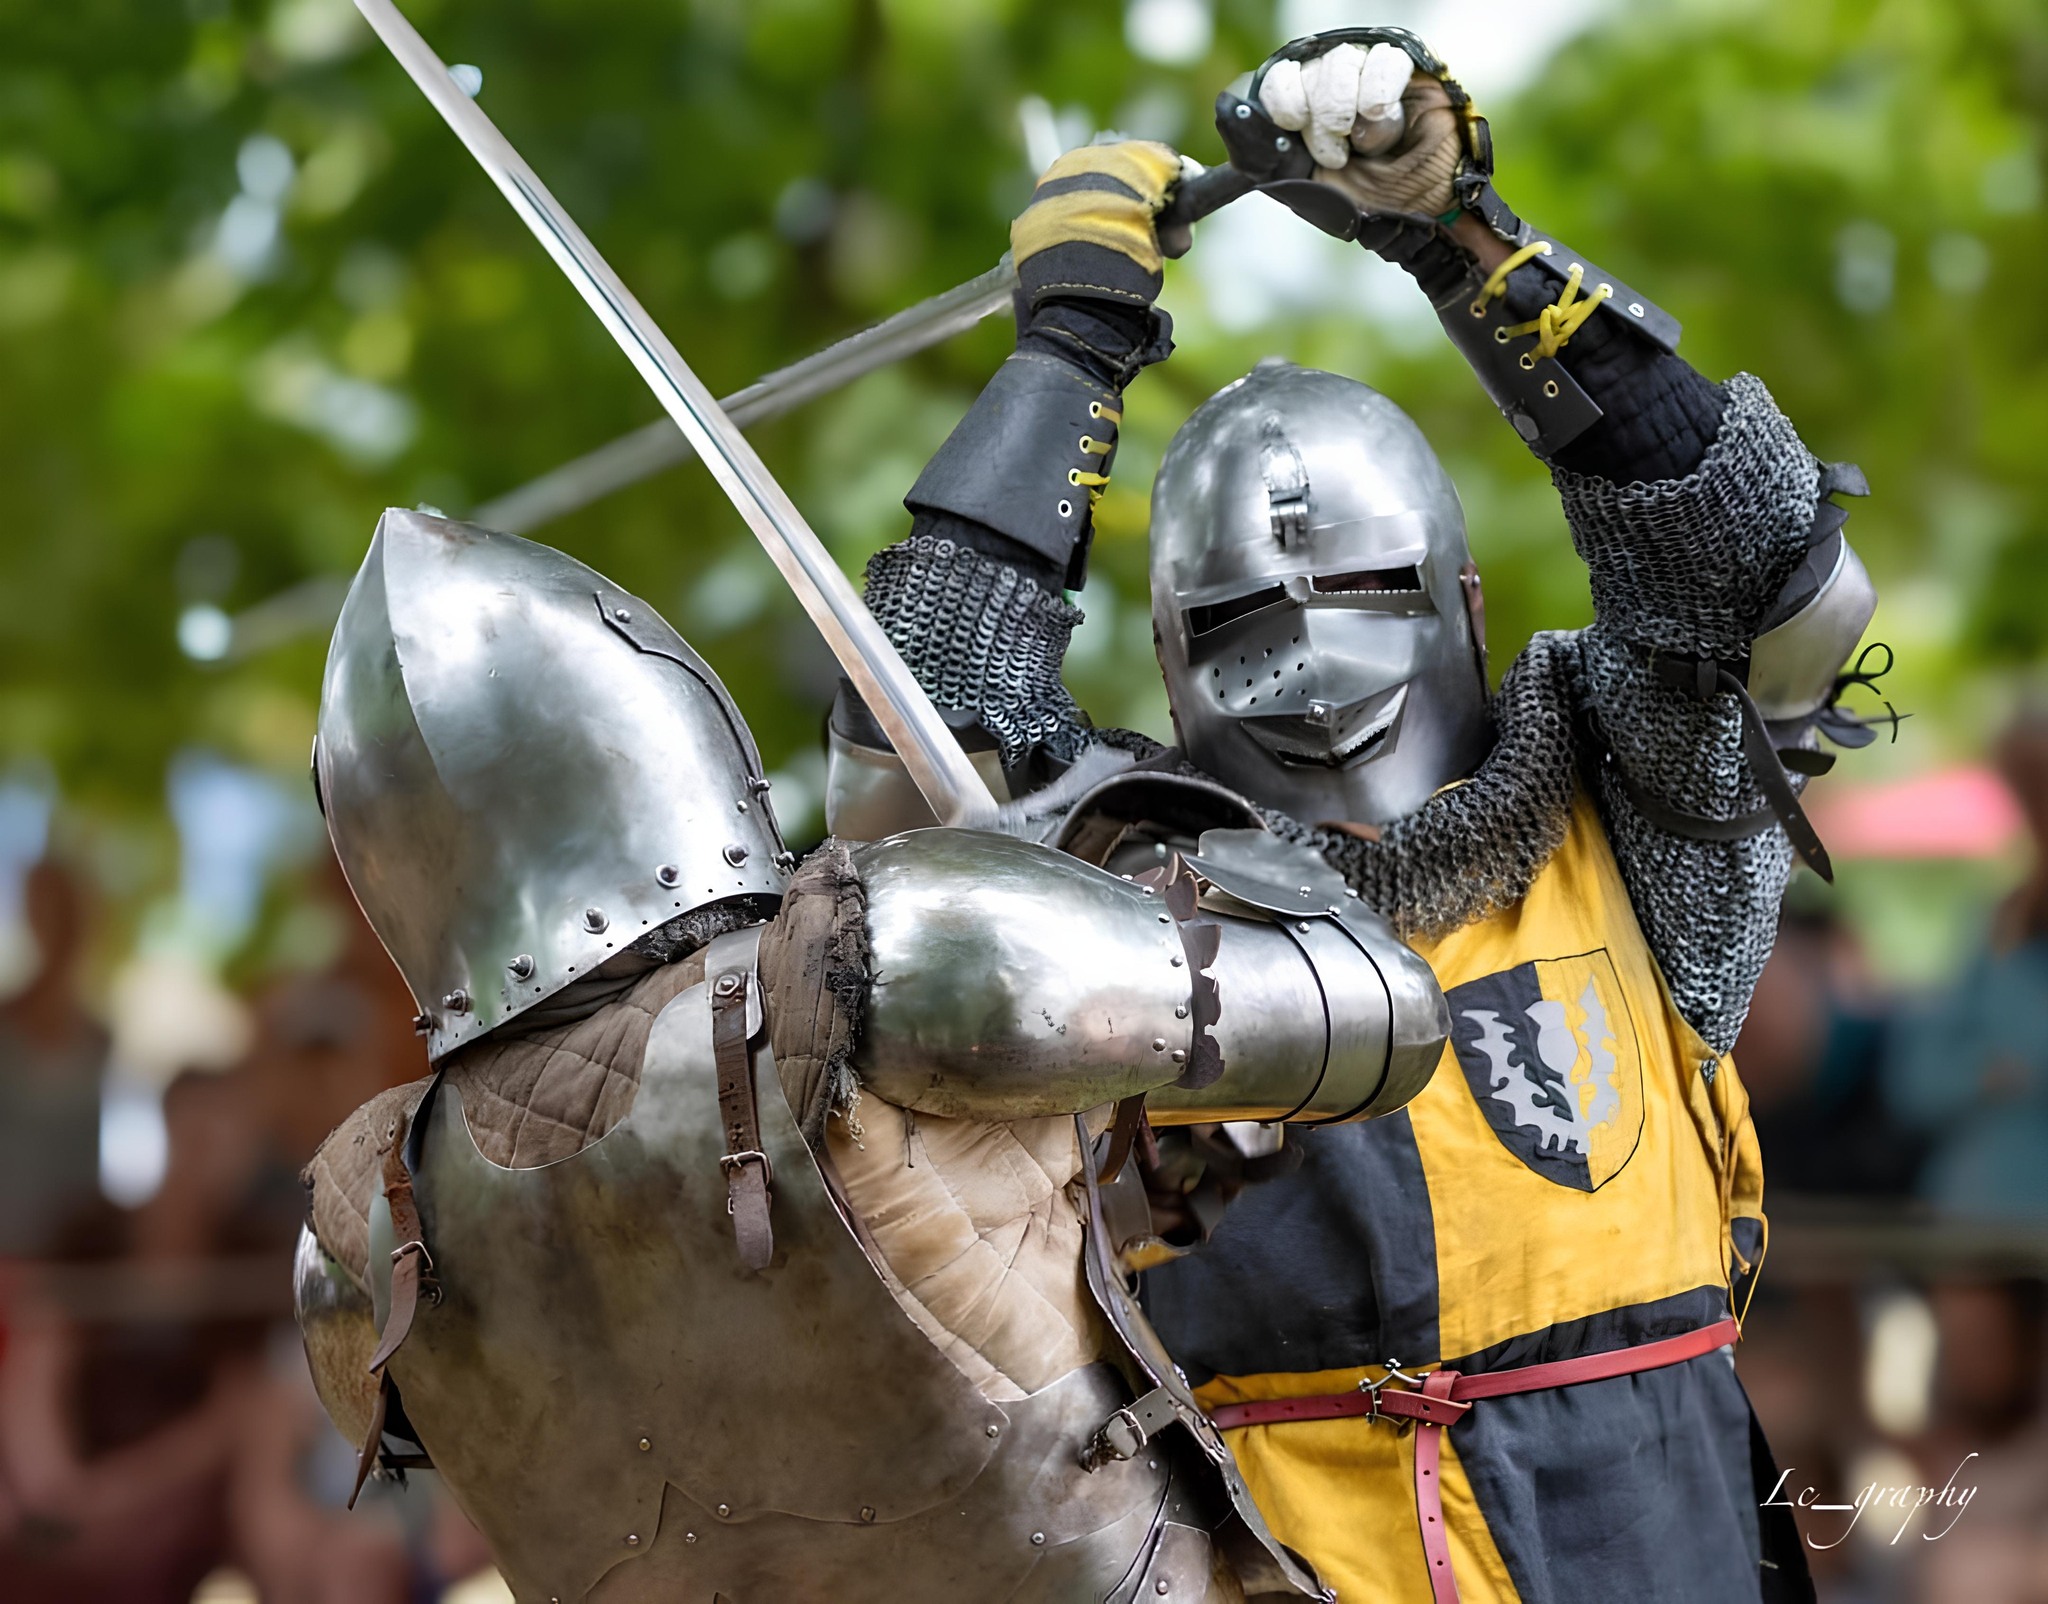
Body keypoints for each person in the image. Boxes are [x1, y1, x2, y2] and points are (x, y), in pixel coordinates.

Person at [831, 27, 1885, 1603]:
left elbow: (1764, 573)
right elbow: (908, 769)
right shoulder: (1108, 904)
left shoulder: (1627, 814)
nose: (1314, 662)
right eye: (1242, 618)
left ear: (1463, 598)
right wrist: (1071, 347)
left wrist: (1462, 237)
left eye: (1371, 589)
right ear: (1173, 657)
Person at [294, 507, 1457, 1601]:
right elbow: (1392, 1016)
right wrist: (1148, 872)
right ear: (653, 727)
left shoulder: (359, 1231)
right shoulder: (883, 956)